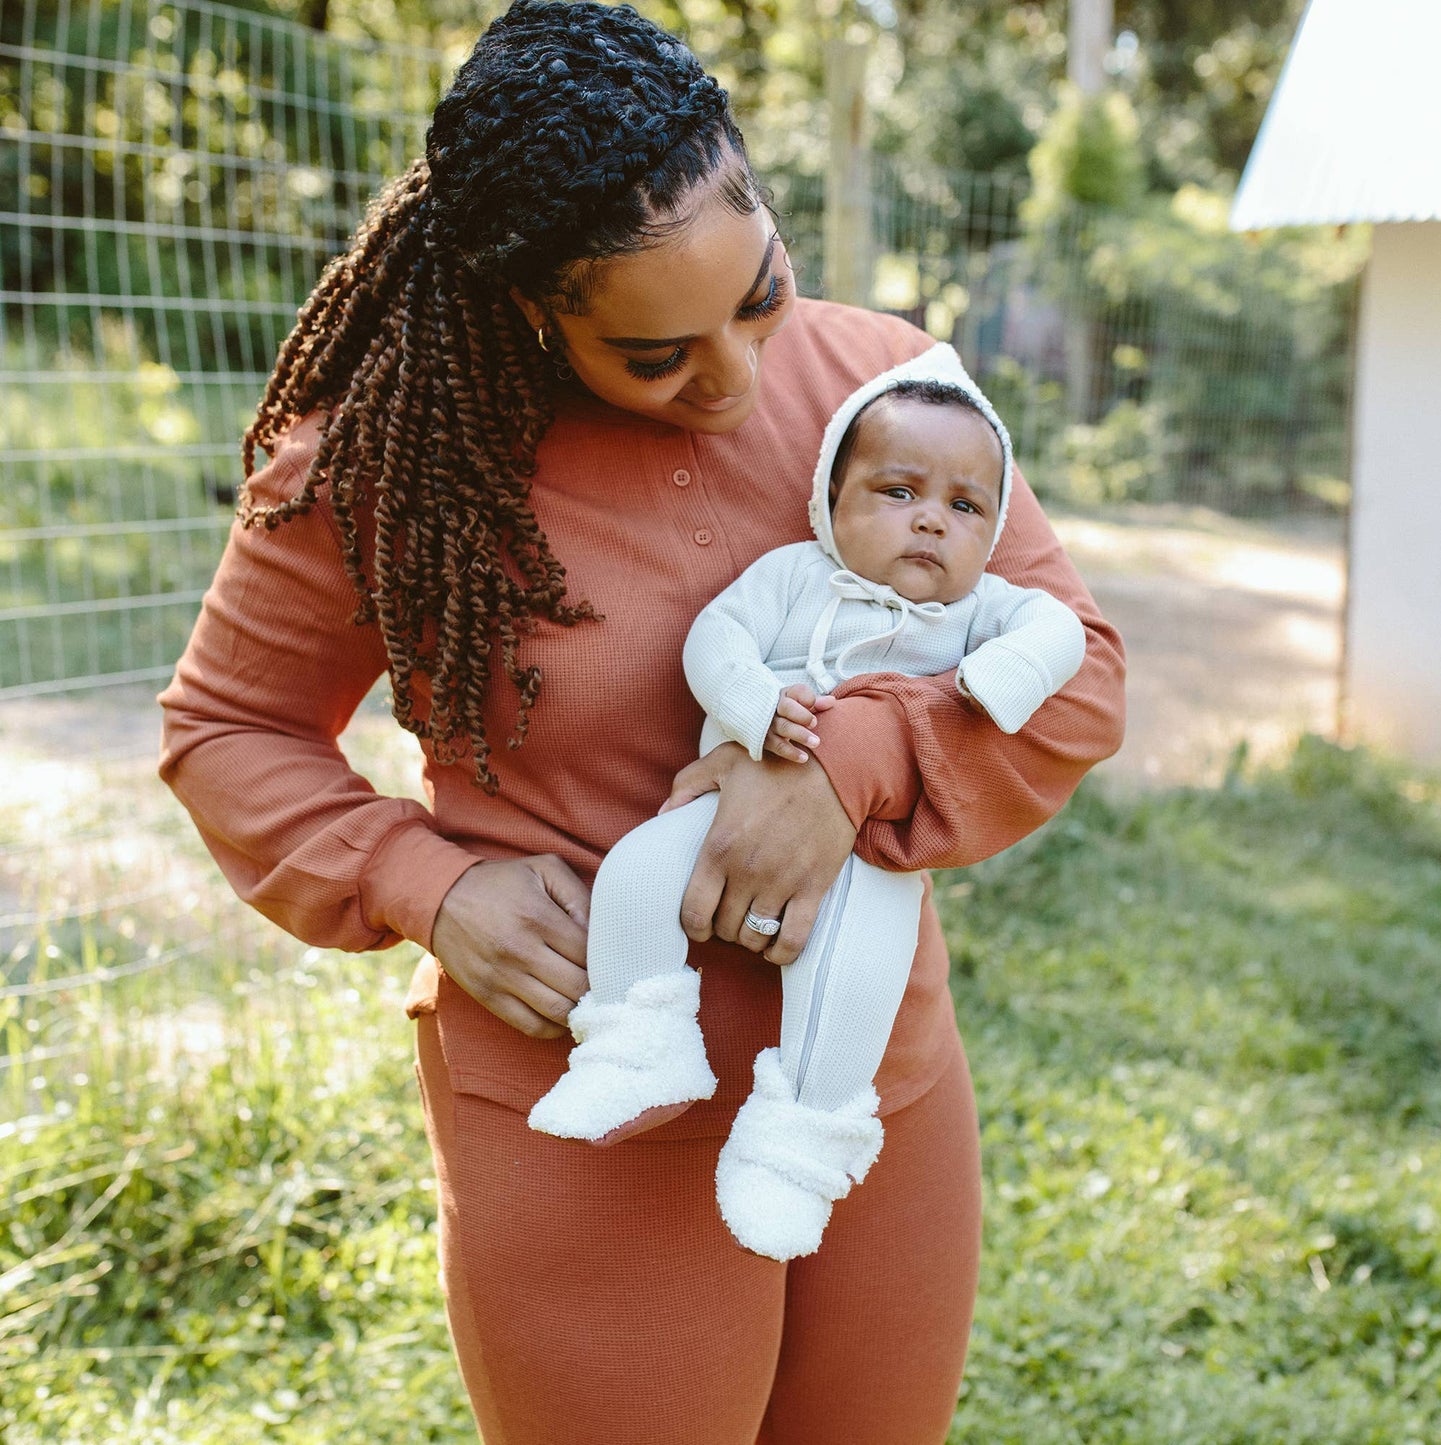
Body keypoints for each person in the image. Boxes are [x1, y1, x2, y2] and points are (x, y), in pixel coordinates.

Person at [157, 3, 1126, 1442]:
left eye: (761, 296)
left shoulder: (890, 392)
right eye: (658, 355)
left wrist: (846, 766)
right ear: (528, 308)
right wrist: (430, 885)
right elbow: (228, 727)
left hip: (868, 1085)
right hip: (582, 1102)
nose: (736, 382)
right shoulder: (391, 458)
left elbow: (1079, 667)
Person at [528, 344, 1087, 1266]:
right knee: (634, 872)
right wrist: (750, 703)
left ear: (992, 534)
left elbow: (1060, 628)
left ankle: (800, 1140)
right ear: (831, 501)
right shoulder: (793, 575)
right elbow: (717, 637)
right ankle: (635, 1040)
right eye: (896, 492)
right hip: (734, 796)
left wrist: (996, 678)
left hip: (875, 849)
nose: (929, 524)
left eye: (964, 506)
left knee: (856, 974)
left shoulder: (980, 608)